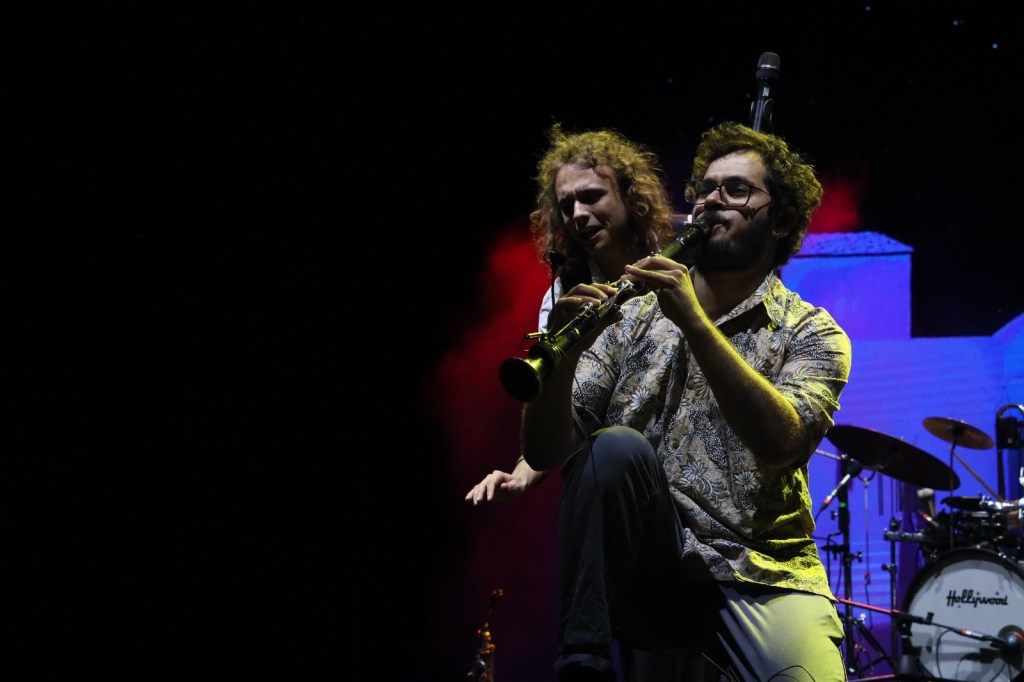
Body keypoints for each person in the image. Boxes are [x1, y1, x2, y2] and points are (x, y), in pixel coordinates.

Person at [520, 121, 853, 681]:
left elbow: (783, 444)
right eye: (705, 189)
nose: (711, 201)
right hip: (650, 573)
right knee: (613, 448)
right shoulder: (632, 309)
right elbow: (550, 451)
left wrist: (696, 323)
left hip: (758, 572)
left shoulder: (814, 334)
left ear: (784, 222)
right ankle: (582, 666)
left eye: (737, 190)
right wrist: (562, 359)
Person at [465, 124, 696, 680]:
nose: (579, 213)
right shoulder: (562, 295)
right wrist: (525, 472)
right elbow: (572, 413)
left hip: (690, 500)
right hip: (619, 494)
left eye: (592, 196)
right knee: (609, 450)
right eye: (566, 204)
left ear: (629, 197)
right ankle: (582, 663)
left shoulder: (684, 261)